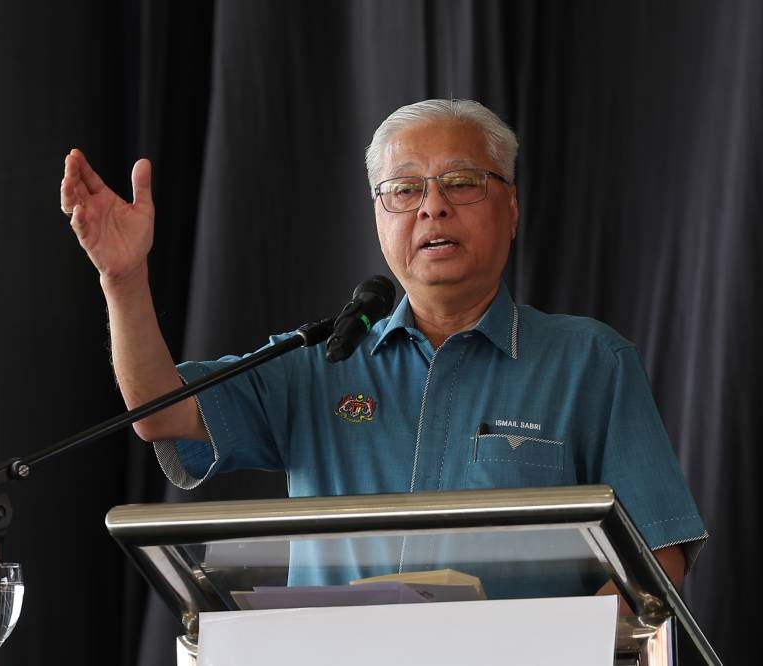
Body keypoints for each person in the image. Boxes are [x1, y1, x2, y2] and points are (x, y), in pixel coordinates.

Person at [61, 99, 705, 598]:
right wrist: (123, 279)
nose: (433, 208)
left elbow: (657, 561)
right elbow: (160, 413)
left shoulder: (590, 362)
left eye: (462, 182)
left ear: (510, 208)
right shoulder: (318, 362)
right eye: (405, 190)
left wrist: (563, 641)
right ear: (378, 216)